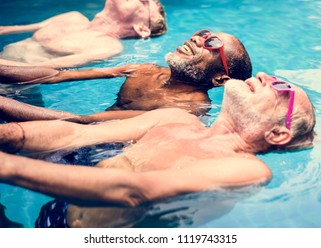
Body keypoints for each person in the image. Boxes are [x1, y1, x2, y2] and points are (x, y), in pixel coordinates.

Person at [0, 72, 316, 227]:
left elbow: (135, 191)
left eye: (282, 87)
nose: (265, 76)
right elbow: (72, 133)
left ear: (278, 133)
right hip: (57, 213)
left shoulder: (248, 169)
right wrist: (11, 135)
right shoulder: (176, 118)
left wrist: (8, 166)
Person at [0, 31, 252, 122]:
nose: (197, 38)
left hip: (95, 155)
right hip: (66, 129)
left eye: (212, 43)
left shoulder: (189, 109)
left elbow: (85, 121)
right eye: (203, 33)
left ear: (220, 79)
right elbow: (56, 76)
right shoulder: (147, 69)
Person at [0, 0, 166, 68]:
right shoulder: (72, 17)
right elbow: (6, 30)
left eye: (142, 1)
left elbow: (44, 70)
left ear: (142, 29)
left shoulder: (107, 47)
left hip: (12, 88)